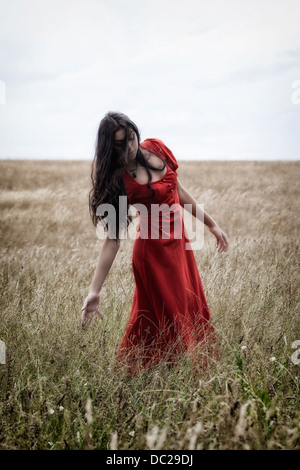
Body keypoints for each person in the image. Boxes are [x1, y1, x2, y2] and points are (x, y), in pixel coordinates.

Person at [81, 112, 229, 375]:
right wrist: (94, 291)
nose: (129, 147)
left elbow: (180, 192)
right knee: (165, 315)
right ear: (109, 147)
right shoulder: (118, 182)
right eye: (120, 144)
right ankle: (159, 372)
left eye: (131, 138)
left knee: (189, 306)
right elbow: (113, 240)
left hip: (180, 247)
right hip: (152, 255)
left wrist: (212, 224)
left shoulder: (157, 148)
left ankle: (176, 371)